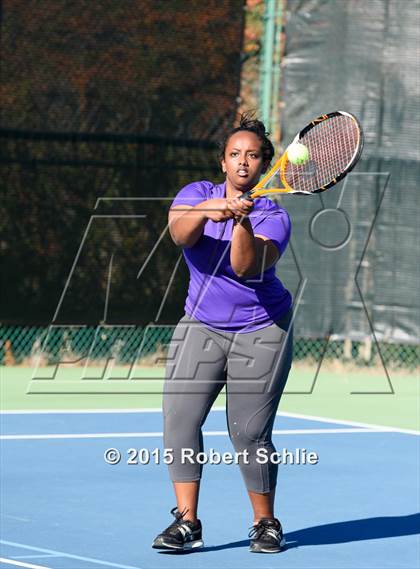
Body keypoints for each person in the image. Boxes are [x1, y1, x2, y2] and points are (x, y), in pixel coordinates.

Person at [152, 113, 293, 554]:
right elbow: (179, 233)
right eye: (235, 155)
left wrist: (242, 221)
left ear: (264, 165)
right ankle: (187, 523)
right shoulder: (196, 194)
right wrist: (213, 209)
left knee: (248, 434)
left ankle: (266, 522)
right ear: (223, 162)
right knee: (180, 422)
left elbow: (246, 267)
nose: (243, 162)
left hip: (263, 329)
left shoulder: (274, 215)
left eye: (253, 155)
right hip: (201, 326)